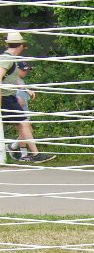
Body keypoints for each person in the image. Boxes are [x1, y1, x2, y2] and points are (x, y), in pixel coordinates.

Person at [2, 31, 48, 162]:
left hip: (10, 96)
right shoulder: (7, 59)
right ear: (20, 45)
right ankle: (33, 154)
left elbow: (13, 77)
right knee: (24, 123)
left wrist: (26, 90)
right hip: (5, 97)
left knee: (24, 124)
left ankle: (32, 153)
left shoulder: (11, 59)